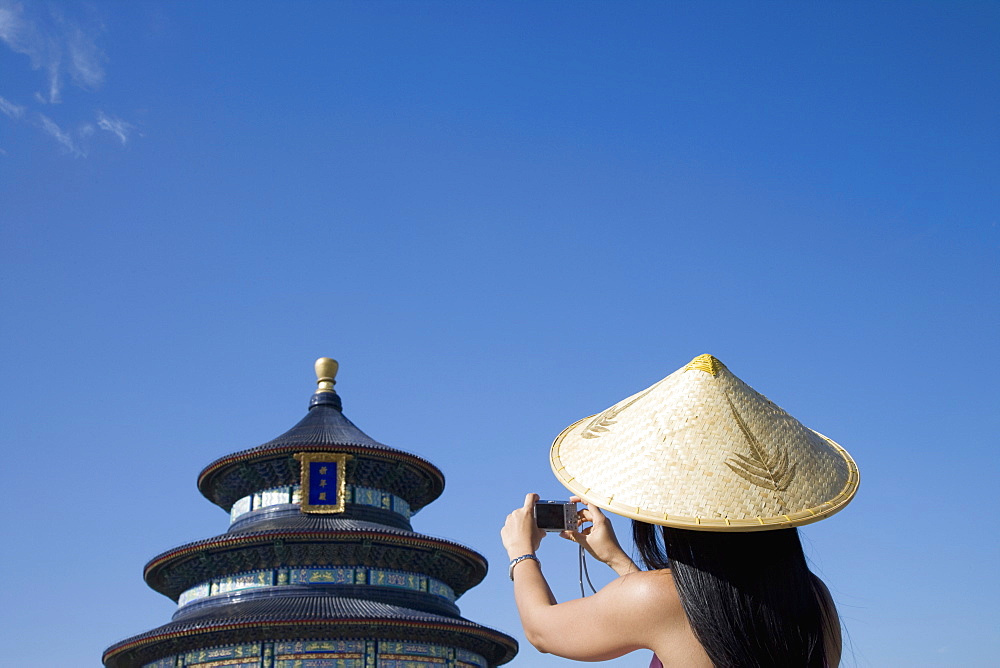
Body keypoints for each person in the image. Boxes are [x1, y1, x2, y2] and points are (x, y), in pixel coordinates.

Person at [501, 354, 858, 667]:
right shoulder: (814, 597)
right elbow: (696, 615)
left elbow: (542, 630)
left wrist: (522, 552)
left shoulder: (655, 600)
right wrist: (618, 562)